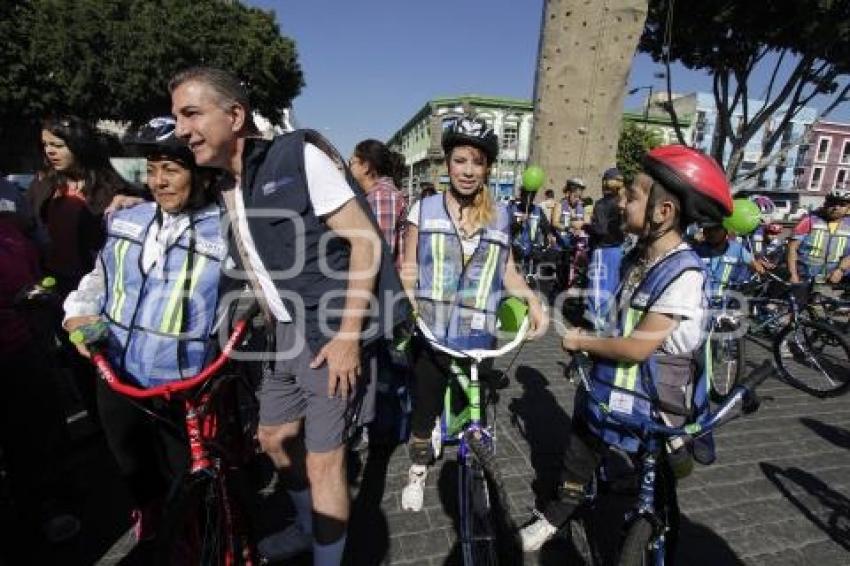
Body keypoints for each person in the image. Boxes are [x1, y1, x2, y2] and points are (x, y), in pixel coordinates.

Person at [169, 66, 408, 565]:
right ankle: (306, 527)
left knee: (325, 462)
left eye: (191, 113)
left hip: (330, 333)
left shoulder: (297, 155)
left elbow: (365, 243)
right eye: (176, 117)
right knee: (274, 439)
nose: (181, 129)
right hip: (284, 336)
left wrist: (346, 339)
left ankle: (328, 558)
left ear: (235, 115)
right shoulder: (224, 185)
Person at [519, 145, 733, 552]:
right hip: (606, 391)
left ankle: (660, 518)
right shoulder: (638, 258)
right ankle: (557, 514)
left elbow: (637, 347)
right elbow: (620, 321)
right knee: (578, 456)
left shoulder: (683, 273)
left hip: (652, 404)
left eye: (632, 195)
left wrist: (581, 341)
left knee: (654, 476)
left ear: (663, 212)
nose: (621, 200)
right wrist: (591, 332)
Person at [63, 116, 220, 545]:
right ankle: (148, 516)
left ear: (202, 174)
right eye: (151, 170)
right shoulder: (127, 219)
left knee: (185, 475)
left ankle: (200, 533)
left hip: (182, 384)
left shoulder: (228, 229)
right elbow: (98, 279)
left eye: (171, 169)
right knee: (130, 461)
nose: (158, 182)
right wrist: (77, 312)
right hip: (115, 373)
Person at [398, 116, 548, 512]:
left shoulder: (500, 216)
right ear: (447, 163)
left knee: (478, 414)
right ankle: (417, 471)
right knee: (424, 413)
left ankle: (479, 473)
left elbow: (508, 269)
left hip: (479, 335)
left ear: (487, 168)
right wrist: (409, 301)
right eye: (460, 160)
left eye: (477, 162)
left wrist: (533, 301)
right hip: (431, 331)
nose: (467, 170)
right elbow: (408, 266)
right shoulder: (424, 209)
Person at [0, 179, 80, 545]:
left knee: (37, 432)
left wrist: (35, 294)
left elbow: (35, 265)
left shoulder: (11, 232)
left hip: (26, 345)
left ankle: (50, 504)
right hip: (12, 347)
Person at [26, 115, 135, 294]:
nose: (49, 151)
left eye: (58, 145)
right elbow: (29, 225)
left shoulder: (111, 186)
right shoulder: (43, 183)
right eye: (45, 145)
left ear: (80, 146)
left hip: (94, 283)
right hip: (49, 279)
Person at [349, 139, 409, 448]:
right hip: (375, 294)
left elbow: (378, 252)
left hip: (381, 295)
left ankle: (383, 426)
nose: (349, 166)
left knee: (385, 363)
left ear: (366, 165)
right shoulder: (371, 195)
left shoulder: (383, 197)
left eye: (353, 161)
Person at [584, 167, 626, 330]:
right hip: (617, 249)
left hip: (602, 248)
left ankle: (596, 321)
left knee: (597, 285)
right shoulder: (622, 203)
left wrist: (585, 226)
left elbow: (600, 229)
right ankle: (608, 320)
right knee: (612, 285)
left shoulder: (602, 204)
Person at [787, 186, 850, 295]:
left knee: (822, 309)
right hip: (804, 276)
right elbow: (792, 248)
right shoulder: (809, 220)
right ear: (826, 204)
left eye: (842, 205)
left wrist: (840, 270)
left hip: (829, 279)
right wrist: (793, 274)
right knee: (795, 308)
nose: (836, 207)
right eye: (833, 203)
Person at [694, 222, 766, 298]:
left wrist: (761, 268)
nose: (712, 233)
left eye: (716, 229)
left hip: (727, 303)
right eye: (708, 229)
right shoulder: (696, 250)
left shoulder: (737, 248)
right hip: (701, 302)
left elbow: (756, 266)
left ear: (725, 231)